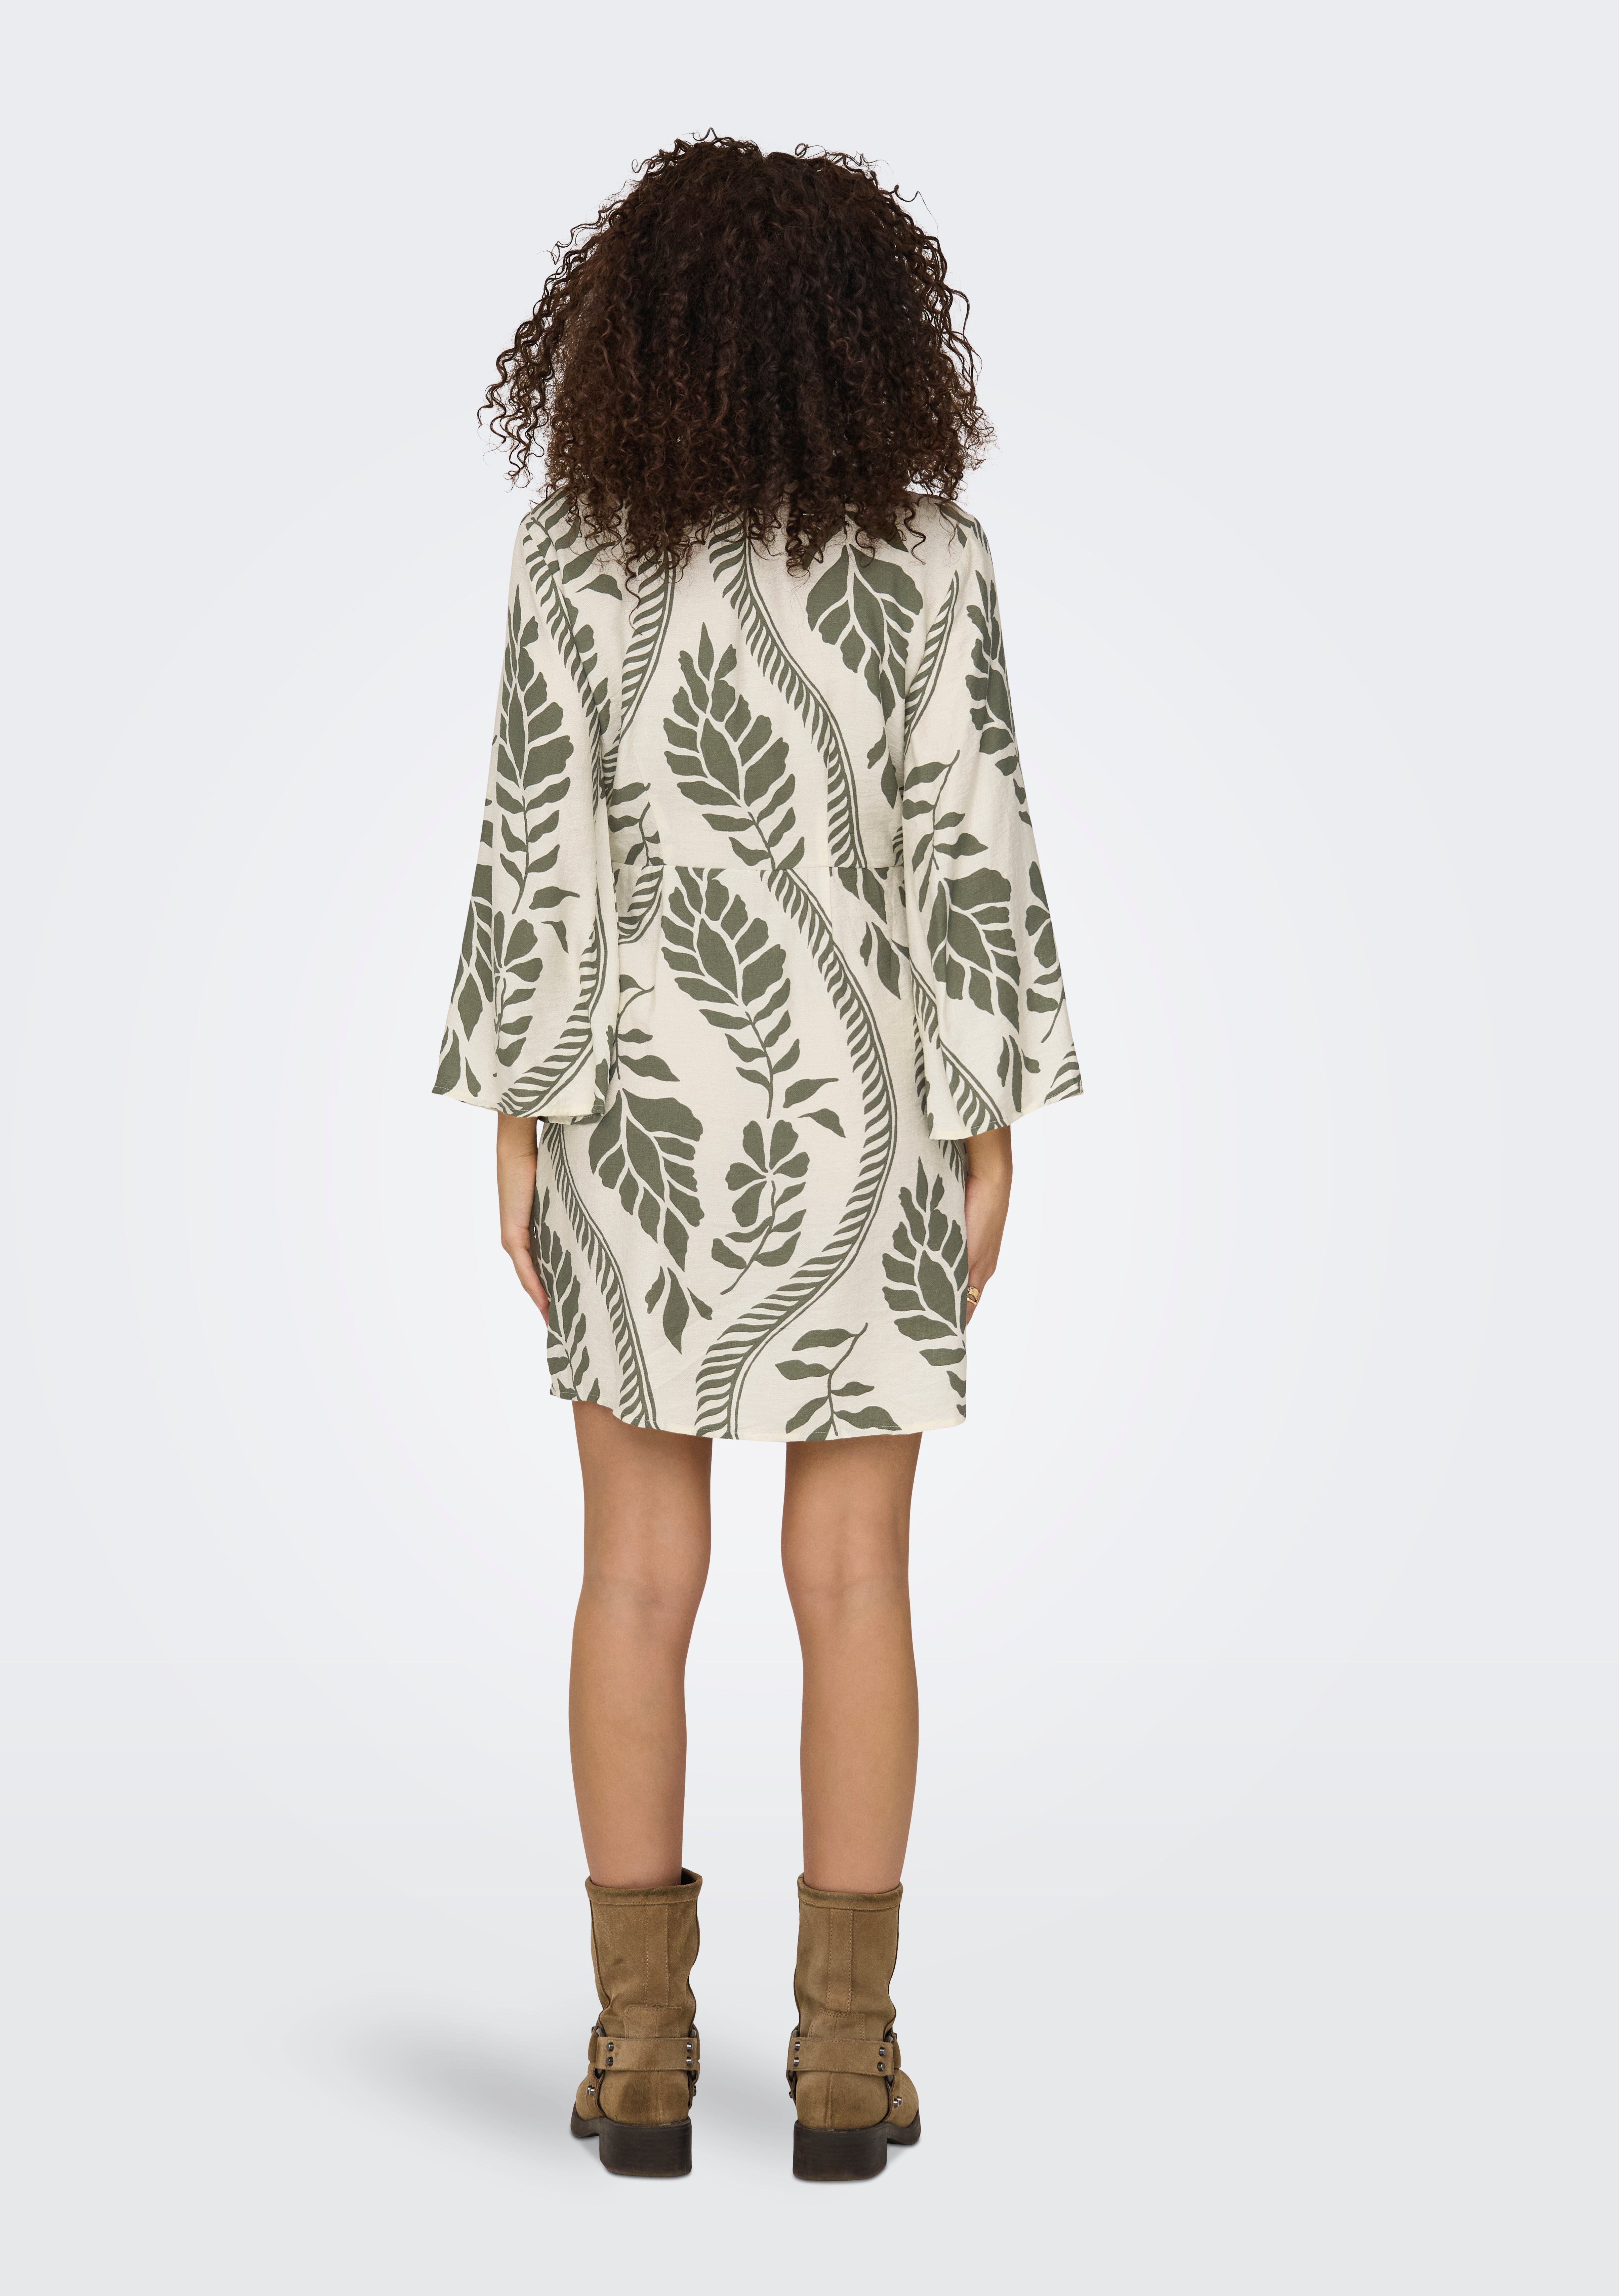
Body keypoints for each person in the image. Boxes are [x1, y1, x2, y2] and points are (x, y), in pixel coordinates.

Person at [434, 134, 1080, 2181]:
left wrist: (522, 1118)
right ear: (871, 339)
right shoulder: (930, 562)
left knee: (635, 1575)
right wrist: (986, 1123)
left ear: (626, 332)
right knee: (855, 1578)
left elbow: (537, 852)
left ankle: (638, 2062)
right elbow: (970, 856)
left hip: (633, 1118)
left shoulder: (577, 560)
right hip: (865, 1120)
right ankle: (842, 2065)